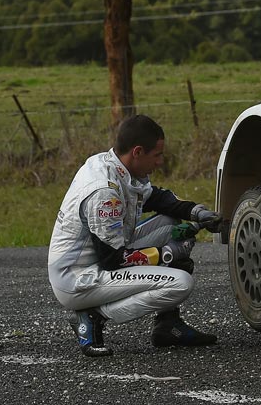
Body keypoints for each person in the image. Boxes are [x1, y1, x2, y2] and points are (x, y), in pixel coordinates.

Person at [47, 114, 224, 357]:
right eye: (157, 155)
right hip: (78, 278)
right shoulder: (103, 192)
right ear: (138, 152)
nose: (160, 162)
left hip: (98, 258)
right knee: (180, 281)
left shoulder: (115, 166)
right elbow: (113, 260)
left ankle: (167, 326)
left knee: (168, 222)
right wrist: (168, 255)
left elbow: (156, 198)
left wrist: (197, 212)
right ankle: (93, 316)